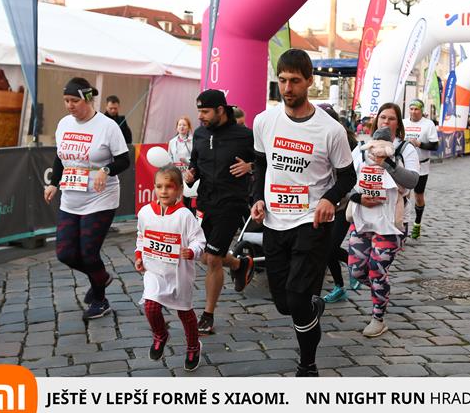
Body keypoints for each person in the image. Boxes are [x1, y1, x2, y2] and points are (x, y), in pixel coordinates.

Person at [250, 49, 355, 377]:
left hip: (312, 221)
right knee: (284, 304)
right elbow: (260, 164)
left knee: (296, 300)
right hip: (274, 221)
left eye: (295, 81)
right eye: (282, 80)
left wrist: (329, 199)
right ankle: (314, 305)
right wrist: (257, 198)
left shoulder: (331, 130)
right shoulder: (264, 121)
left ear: (310, 81)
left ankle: (307, 365)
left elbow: (348, 177)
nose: (287, 88)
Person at [44, 78, 130, 320]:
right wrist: (53, 183)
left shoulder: (107, 126)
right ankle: (101, 276)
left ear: (88, 99)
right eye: (66, 100)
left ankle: (100, 301)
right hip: (71, 198)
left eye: (74, 100)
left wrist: (106, 170)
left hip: (100, 198)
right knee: (65, 253)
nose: (69, 105)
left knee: (89, 252)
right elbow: (60, 157)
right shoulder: (64, 124)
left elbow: (124, 160)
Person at [185, 90, 255, 335]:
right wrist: (191, 174)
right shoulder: (200, 134)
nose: (200, 116)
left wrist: (250, 166)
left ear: (220, 110)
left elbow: (267, 161)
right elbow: (195, 162)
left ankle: (207, 315)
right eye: (199, 111)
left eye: (205, 112)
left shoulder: (245, 135)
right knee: (205, 256)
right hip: (205, 202)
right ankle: (239, 264)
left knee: (213, 259)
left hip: (232, 203)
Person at [348, 103, 419, 336]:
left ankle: (378, 318)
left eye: (391, 118)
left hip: (391, 223)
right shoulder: (361, 149)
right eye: (382, 117)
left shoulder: (405, 149)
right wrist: (358, 197)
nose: (386, 122)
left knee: (377, 270)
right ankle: (381, 290)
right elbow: (344, 180)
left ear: (398, 124)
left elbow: (412, 181)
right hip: (362, 219)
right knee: (357, 271)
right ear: (376, 120)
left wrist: (387, 164)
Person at [136, 166, 206, 370]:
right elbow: (141, 236)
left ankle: (193, 346)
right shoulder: (145, 212)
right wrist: (139, 255)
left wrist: (192, 251)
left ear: (179, 190)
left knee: (184, 312)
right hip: (154, 271)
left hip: (179, 273)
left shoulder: (185, 216)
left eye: (169, 187)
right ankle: (160, 334)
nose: (164, 191)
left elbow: (199, 240)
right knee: (151, 307)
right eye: (159, 186)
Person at [317, 103, 359, 303]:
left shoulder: (349, 144)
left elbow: (353, 176)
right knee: (325, 249)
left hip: (342, 204)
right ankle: (339, 286)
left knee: (330, 247)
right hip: (319, 206)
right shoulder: (314, 139)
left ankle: (354, 263)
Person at [403, 98, 439, 239]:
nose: (413, 111)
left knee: (418, 196)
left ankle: (417, 223)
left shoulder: (428, 124)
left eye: (416, 109)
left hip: (421, 165)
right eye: (411, 109)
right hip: (404, 165)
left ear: (421, 111)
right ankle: (403, 225)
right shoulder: (404, 123)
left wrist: (420, 144)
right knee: (404, 195)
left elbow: (435, 146)